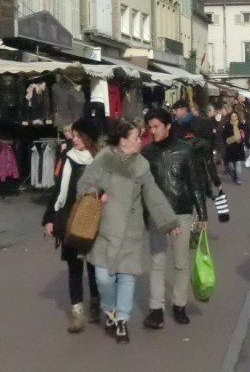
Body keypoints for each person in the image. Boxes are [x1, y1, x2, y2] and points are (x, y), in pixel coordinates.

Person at [76, 119, 180, 344]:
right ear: (123, 141)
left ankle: (122, 320)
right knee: (103, 278)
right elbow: (84, 184)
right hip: (103, 228)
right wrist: (95, 194)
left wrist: (170, 222)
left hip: (130, 230)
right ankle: (109, 310)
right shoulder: (103, 159)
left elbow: (153, 194)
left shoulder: (141, 165)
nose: (140, 142)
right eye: (136, 138)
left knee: (126, 277)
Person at [141, 108, 208, 328]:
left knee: (180, 262)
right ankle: (156, 309)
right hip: (157, 214)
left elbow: (196, 184)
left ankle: (179, 304)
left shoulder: (186, 151)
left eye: (157, 127)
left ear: (168, 126)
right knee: (157, 262)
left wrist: (203, 215)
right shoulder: (147, 153)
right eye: (150, 127)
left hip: (181, 211)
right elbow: (143, 188)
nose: (153, 131)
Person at [42, 116, 101, 333]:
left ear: (88, 137)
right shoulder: (66, 158)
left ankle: (96, 301)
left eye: (78, 135)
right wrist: (49, 219)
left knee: (94, 266)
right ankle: (77, 313)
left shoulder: (100, 160)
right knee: (74, 267)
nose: (73, 139)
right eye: (73, 135)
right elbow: (58, 190)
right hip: (68, 219)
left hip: (93, 219)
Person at [222, 107, 247, 184]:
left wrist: (243, 139)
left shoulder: (241, 125)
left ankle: (238, 179)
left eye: (235, 116)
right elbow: (224, 135)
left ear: (237, 117)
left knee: (238, 166)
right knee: (231, 167)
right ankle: (234, 176)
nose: (234, 117)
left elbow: (245, 135)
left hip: (238, 147)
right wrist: (227, 140)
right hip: (230, 148)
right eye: (232, 116)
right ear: (230, 117)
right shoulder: (227, 125)